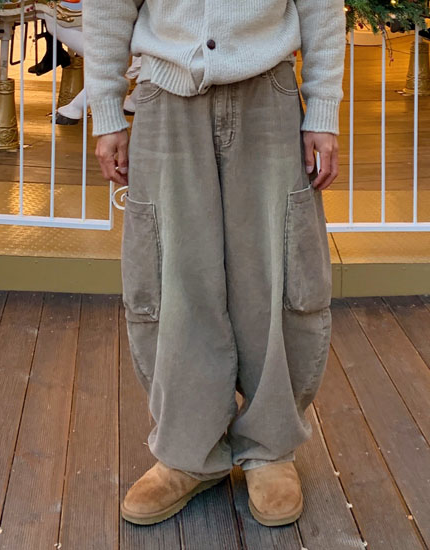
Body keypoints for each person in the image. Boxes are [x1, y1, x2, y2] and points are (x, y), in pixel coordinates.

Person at [84, 0, 345, 527]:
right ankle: (187, 452)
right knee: (173, 278)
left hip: (268, 92)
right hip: (165, 97)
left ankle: (271, 449)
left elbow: (321, 5)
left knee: (275, 272)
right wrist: (107, 110)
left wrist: (322, 108)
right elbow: (108, 6)